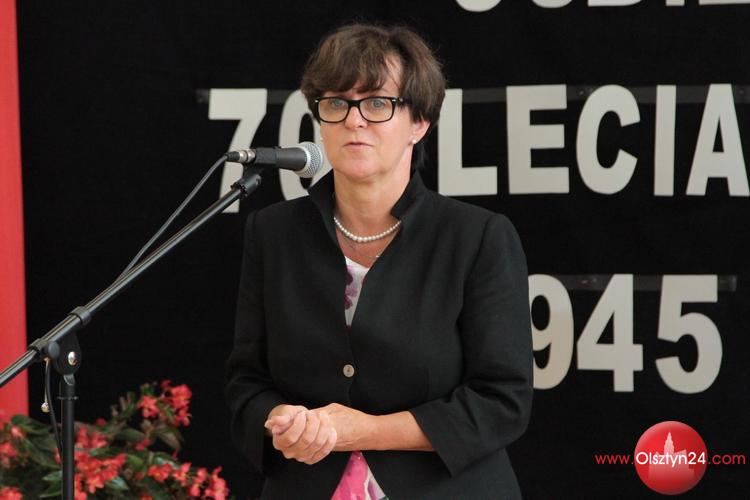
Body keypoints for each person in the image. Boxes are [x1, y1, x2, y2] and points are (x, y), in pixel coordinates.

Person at [226, 23, 533, 500]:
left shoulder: (476, 237)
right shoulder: (273, 233)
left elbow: (502, 402)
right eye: (336, 103)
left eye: (377, 103)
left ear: (419, 122)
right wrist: (280, 421)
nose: (354, 121)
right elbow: (247, 382)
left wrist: (362, 431)